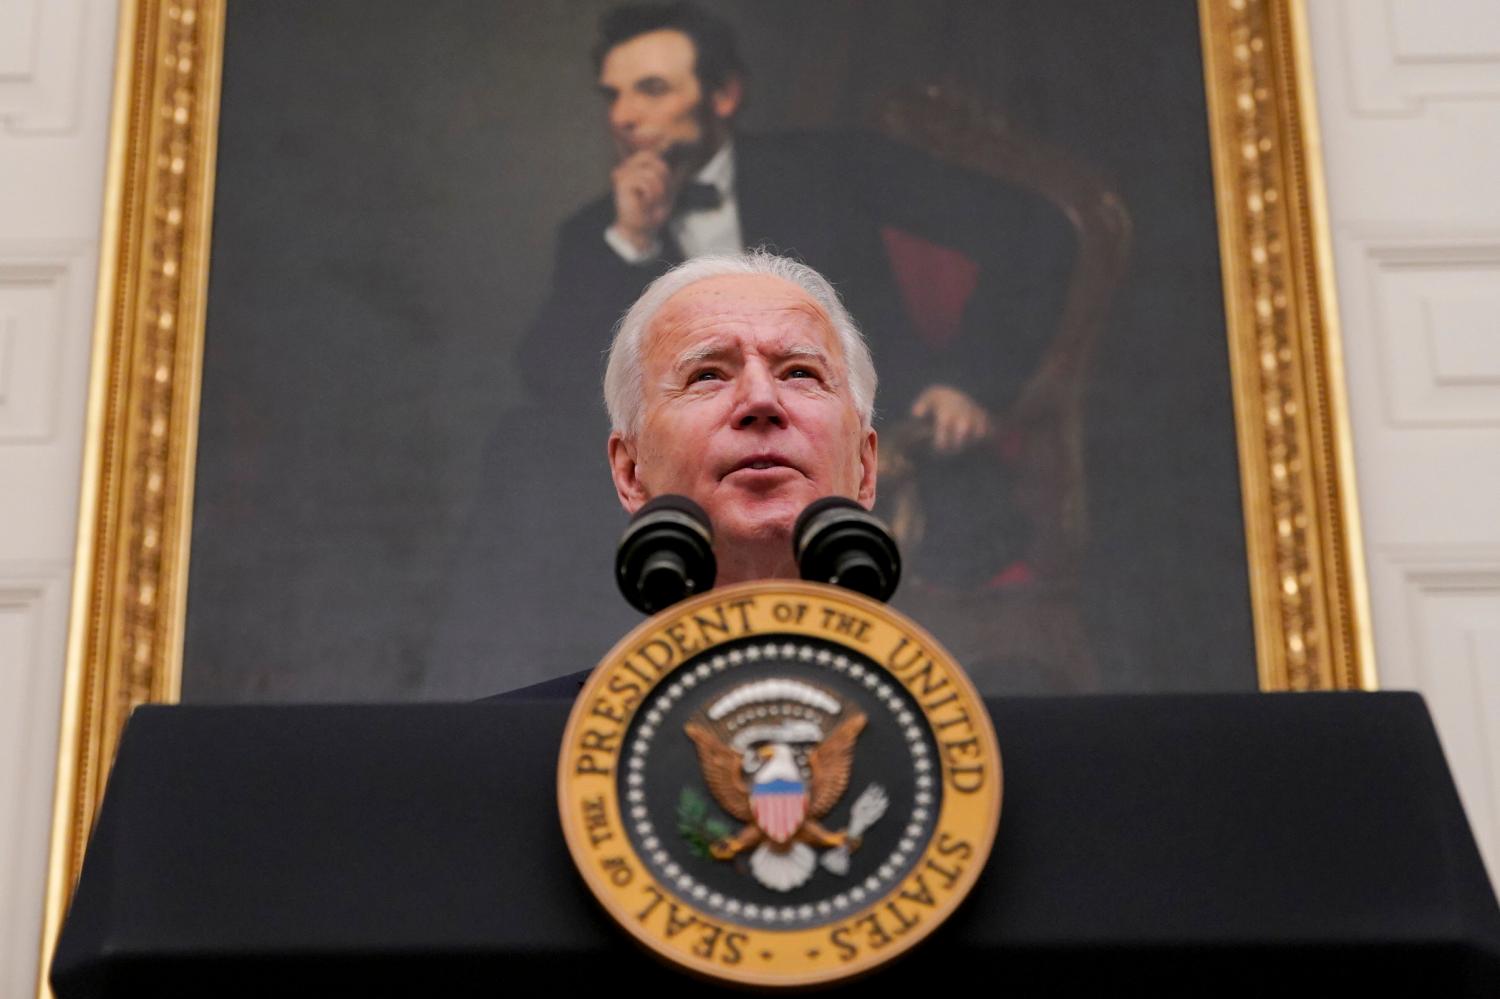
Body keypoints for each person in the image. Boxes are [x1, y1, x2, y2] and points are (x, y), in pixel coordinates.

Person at [518, 0, 1074, 452]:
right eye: (613, 95)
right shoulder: (598, 233)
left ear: (725, 95)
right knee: (520, 451)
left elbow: (1034, 232)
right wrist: (632, 243)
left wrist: (966, 381)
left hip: (867, 459)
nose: (623, 116)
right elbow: (551, 386)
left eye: (652, 89)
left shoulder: (832, 167)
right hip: (686, 489)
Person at [500, 250, 876, 698]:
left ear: (864, 467)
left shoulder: (969, 749)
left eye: (800, 372)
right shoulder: (499, 750)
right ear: (630, 472)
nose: (761, 400)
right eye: (707, 375)